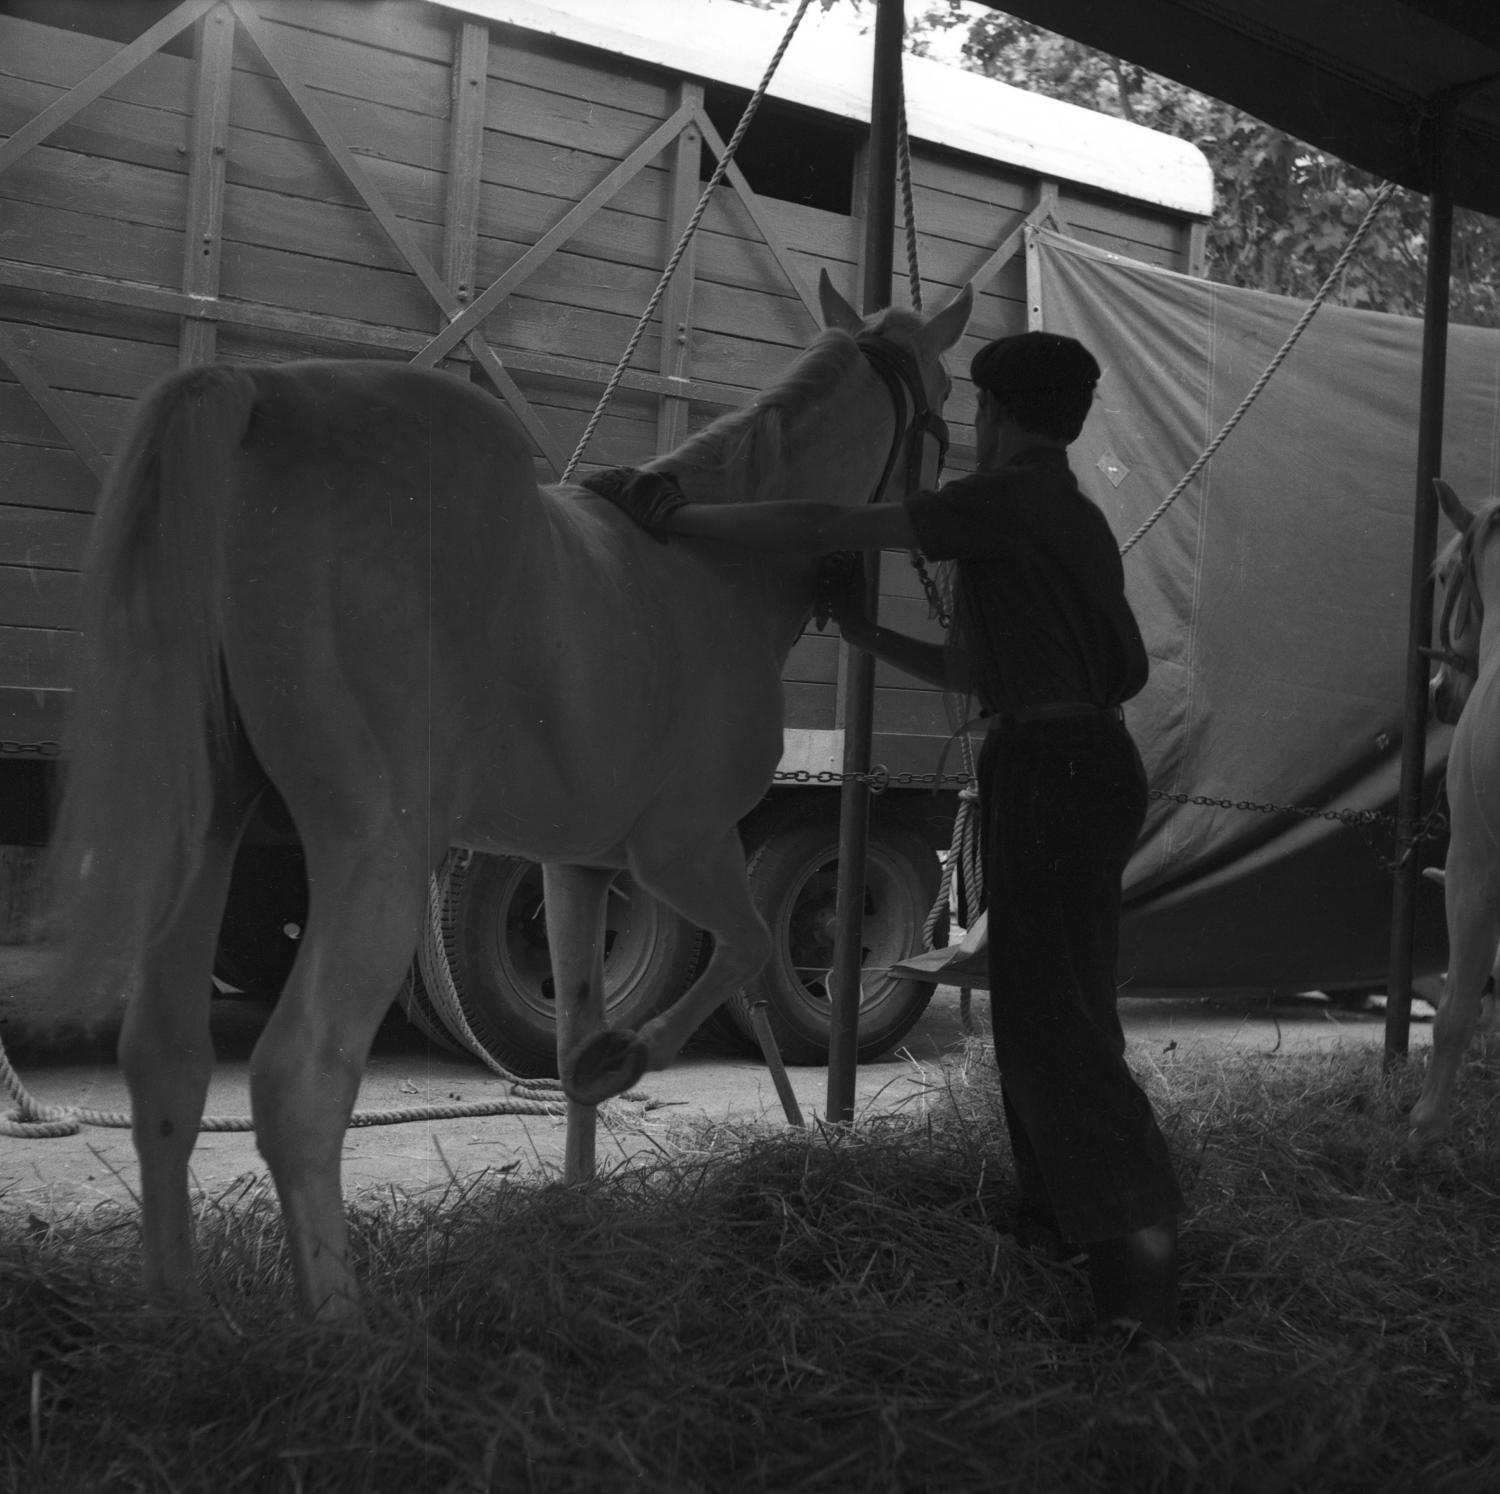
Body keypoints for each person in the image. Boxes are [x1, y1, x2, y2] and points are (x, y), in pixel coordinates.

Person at [584, 330, 1184, 1340]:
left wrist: (677, 511)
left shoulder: (1010, 498)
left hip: (1053, 768)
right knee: (1050, 1010)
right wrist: (864, 638)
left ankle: (1142, 1266)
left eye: (980, 416)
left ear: (995, 416)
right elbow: (973, 674)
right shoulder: (1064, 515)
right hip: (1071, 760)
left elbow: (829, 520)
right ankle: (1070, 1227)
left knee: (1058, 1021)